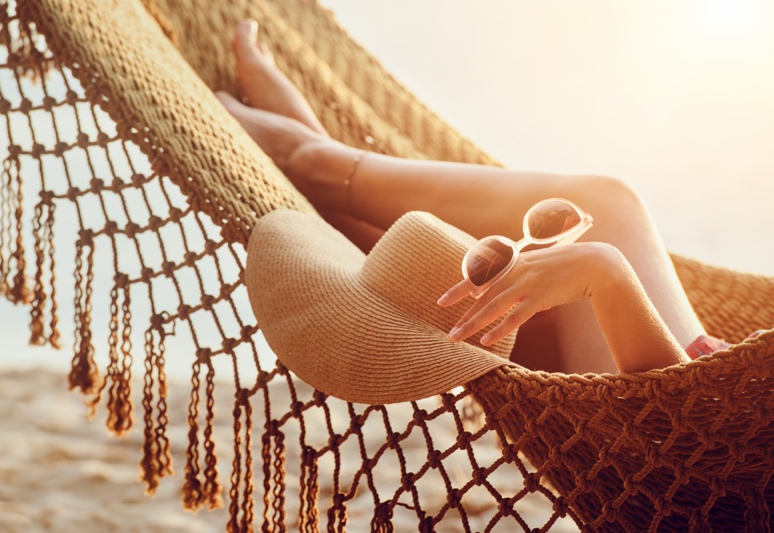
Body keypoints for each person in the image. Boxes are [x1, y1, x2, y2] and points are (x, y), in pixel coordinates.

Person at [216, 20, 717, 375]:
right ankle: (312, 158)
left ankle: (310, 157)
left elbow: (681, 427)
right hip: (712, 385)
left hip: (688, 423)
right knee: (416, 262)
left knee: (603, 204)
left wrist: (608, 276)